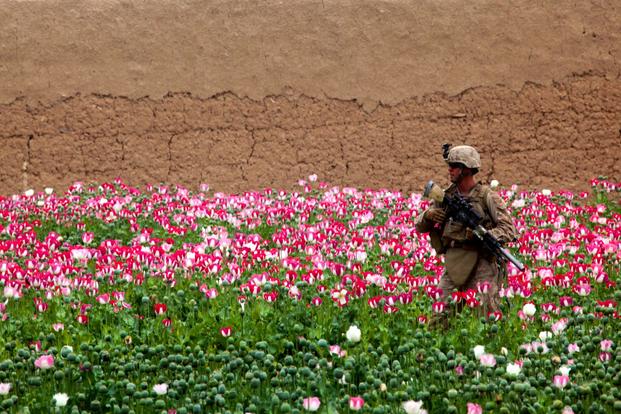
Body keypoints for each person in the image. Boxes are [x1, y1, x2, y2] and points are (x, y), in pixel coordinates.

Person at [415, 145, 518, 321]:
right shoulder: (445, 196)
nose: (450, 170)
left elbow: (509, 230)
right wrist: (428, 215)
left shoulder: (487, 197)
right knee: (439, 319)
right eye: (450, 165)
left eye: (454, 166)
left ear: (467, 169)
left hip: (482, 263)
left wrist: (482, 234)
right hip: (454, 261)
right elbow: (420, 226)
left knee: (488, 318)